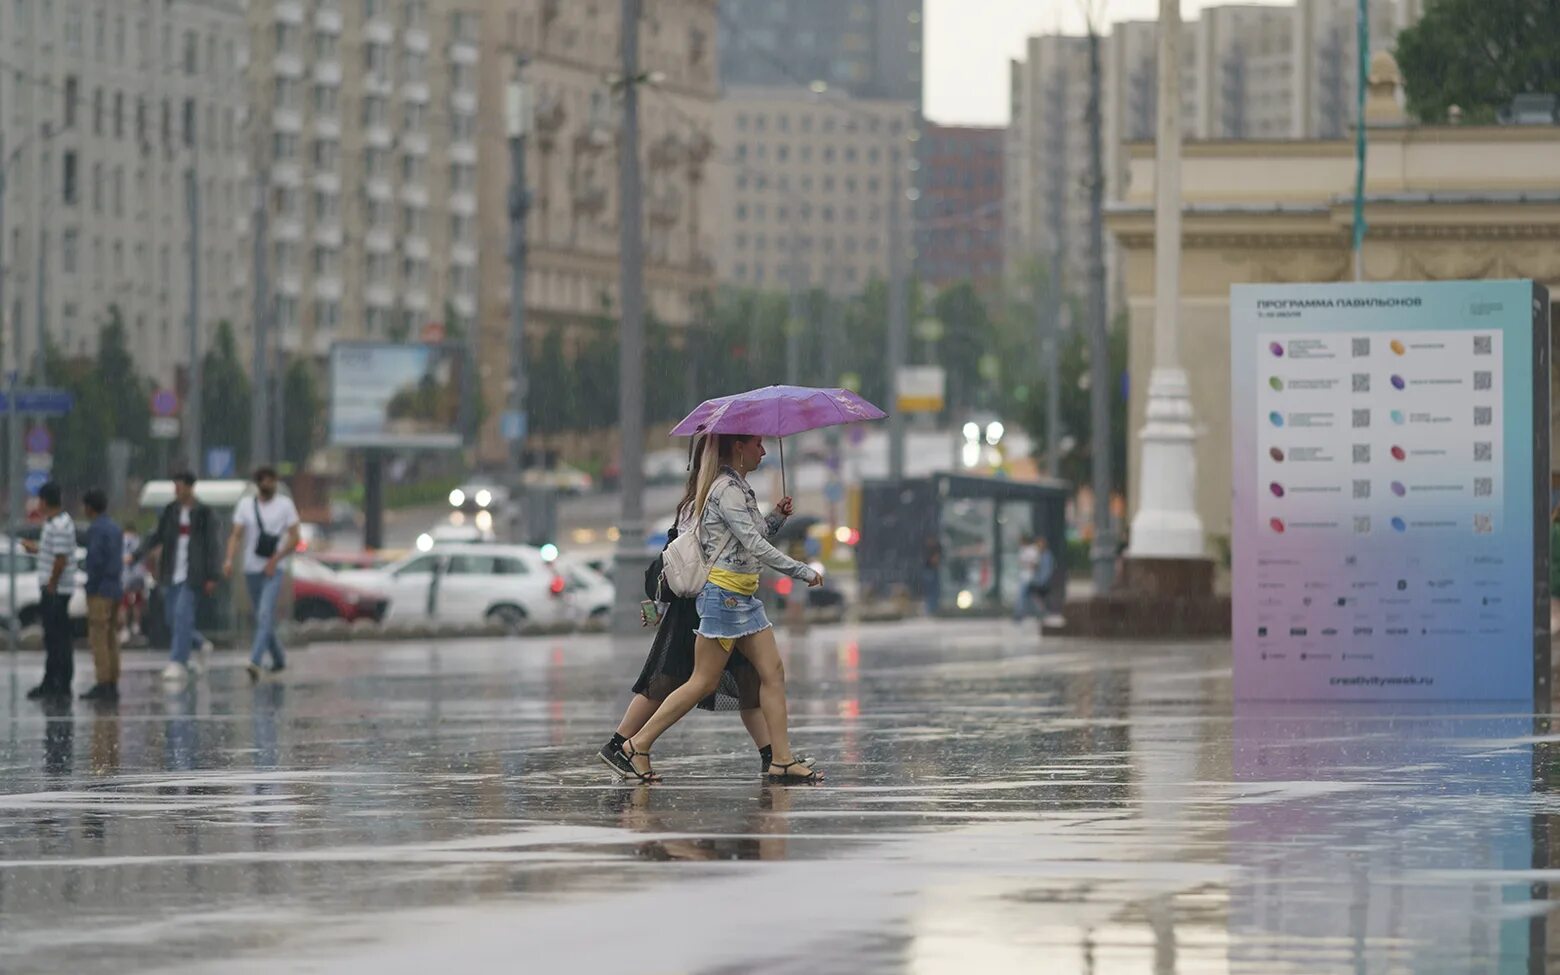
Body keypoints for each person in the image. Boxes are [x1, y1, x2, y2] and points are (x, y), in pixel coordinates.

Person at [617, 434, 824, 784]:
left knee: (771, 673)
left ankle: (781, 760)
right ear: (738, 447)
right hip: (723, 597)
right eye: (757, 444)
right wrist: (801, 570)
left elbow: (755, 533)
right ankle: (636, 744)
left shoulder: (739, 487)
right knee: (701, 680)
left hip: (744, 596)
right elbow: (753, 543)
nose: (763, 451)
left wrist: (776, 516)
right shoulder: (724, 489)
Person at [133, 471, 220, 684]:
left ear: (190, 488)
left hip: (193, 574)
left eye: (180, 486)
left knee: (182, 615)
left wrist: (212, 575)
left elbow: (212, 545)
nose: (177, 491)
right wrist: (137, 554)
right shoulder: (170, 511)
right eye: (175, 486)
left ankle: (177, 662)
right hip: (171, 573)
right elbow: (156, 536)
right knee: (172, 617)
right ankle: (198, 644)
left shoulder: (204, 513)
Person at [226, 467, 300, 681]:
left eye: (273, 481)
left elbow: (295, 537)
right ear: (259, 483)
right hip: (251, 569)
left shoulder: (285, 506)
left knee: (265, 614)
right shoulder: (246, 505)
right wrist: (229, 559)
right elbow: (236, 535)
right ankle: (278, 659)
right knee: (262, 616)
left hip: (274, 569)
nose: (270, 485)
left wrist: (276, 559)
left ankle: (255, 661)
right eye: (266, 481)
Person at [22, 482, 76, 701]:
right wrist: (36, 548)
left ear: (44, 501)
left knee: (58, 639)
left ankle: (60, 683)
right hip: (53, 588)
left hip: (57, 590)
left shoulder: (60, 525)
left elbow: (61, 559)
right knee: (54, 637)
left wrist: (52, 584)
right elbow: (54, 552)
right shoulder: (53, 523)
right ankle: (51, 680)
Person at [79, 489, 123, 702]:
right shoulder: (115, 528)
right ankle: (113, 681)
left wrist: (91, 584)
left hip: (99, 590)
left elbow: (95, 560)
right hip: (115, 588)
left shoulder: (96, 529)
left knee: (98, 638)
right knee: (112, 637)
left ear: (89, 507)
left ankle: (103, 682)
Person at [1013, 535, 1041, 622]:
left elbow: (1034, 564)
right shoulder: (1023, 550)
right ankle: (1039, 613)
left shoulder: (1032, 550)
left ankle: (1019, 615)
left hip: (1029, 577)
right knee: (1029, 597)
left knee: (1022, 596)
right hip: (1023, 576)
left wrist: (1026, 564)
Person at [922, 535, 943, 617]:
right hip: (930, 571)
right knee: (931, 592)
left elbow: (935, 560)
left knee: (933, 592)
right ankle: (931, 609)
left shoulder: (934, 549)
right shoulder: (929, 549)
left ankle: (932, 609)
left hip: (932, 571)